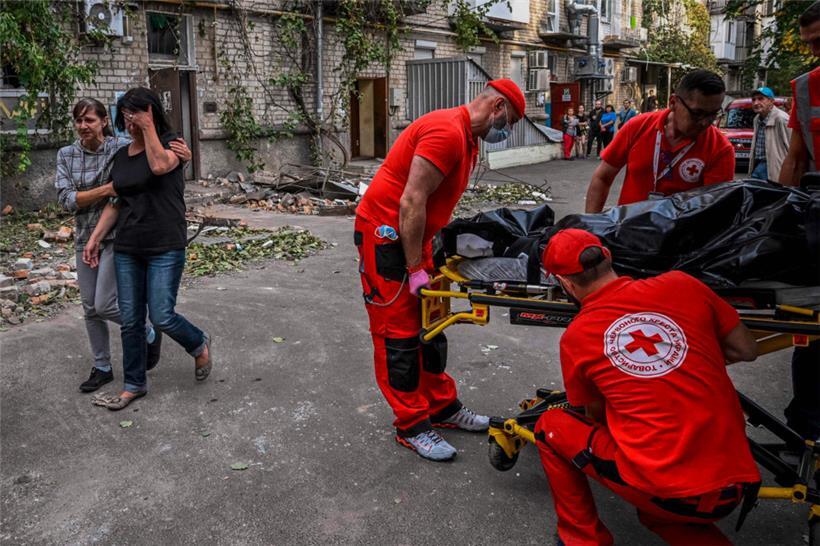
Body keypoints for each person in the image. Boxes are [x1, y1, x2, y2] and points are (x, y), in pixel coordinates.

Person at [536, 228, 761, 546]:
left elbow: (596, 417)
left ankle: (582, 539)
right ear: (610, 257)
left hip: (668, 490)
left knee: (550, 426)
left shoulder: (578, 337)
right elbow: (747, 349)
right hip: (733, 485)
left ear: (565, 283)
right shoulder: (682, 284)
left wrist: (636, 383)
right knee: (658, 512)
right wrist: (683, 363)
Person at [354, 79, 525, 461]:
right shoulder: (447, 132)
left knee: (431, 325)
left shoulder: (468, 139)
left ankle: (442, 407)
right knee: (397, 333)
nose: (506, 132)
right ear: (497, 106)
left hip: (417, 237)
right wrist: (414, 267)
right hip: (388, 236)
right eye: (509, 122)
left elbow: (434, 200)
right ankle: (412, 424)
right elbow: (411, 201)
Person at [83, 87, 211, 410]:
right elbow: (116, 202)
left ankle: (198, 343)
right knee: (130, 319)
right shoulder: (121, 157)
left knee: (162, 315)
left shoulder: (174, 145)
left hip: (165, 243)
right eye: (125, 115)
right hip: (128, 245)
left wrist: (150, 127)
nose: (129, 121)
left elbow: (158, 166)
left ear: (150, 112)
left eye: (135, 113)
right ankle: (134, 384)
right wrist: (95, 237)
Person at [55, 98, 190, 393]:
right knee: (90, 307)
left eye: (89, 120)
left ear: (104, 121)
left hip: (119, 235)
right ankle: (102, 366)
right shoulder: (66, 155)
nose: (83, 126)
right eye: (78, 120)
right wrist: (109, 188)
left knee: (104, 303)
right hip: (84, 235)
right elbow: (67, 200)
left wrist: (183, 157)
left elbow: (152, 169)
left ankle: (147, 330)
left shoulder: (121, 148)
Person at [585, 69, 735, 213]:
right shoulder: (637, 127)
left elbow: (713, 209)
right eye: (697, 113)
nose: (705, 122)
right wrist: (591, 228)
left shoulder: (720, 149)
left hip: (680, 237)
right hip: (627, 233)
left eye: (713, 114)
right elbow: (602, 178)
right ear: (673, 102)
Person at [778, 0, 820, 441]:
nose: (812, 52)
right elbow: (795, 158)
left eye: (818, 42)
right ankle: (807, 424)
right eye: (808, 44)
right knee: (810, 324)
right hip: (817, 209)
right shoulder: (807, 88)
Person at [748, 86, 791, 181]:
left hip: (773, 168)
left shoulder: (782, 119)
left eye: (760, 99)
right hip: (758, 165)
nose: (756, 103)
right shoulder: (757, 119)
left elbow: (792, 148)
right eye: (753, 99)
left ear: (771, 101)